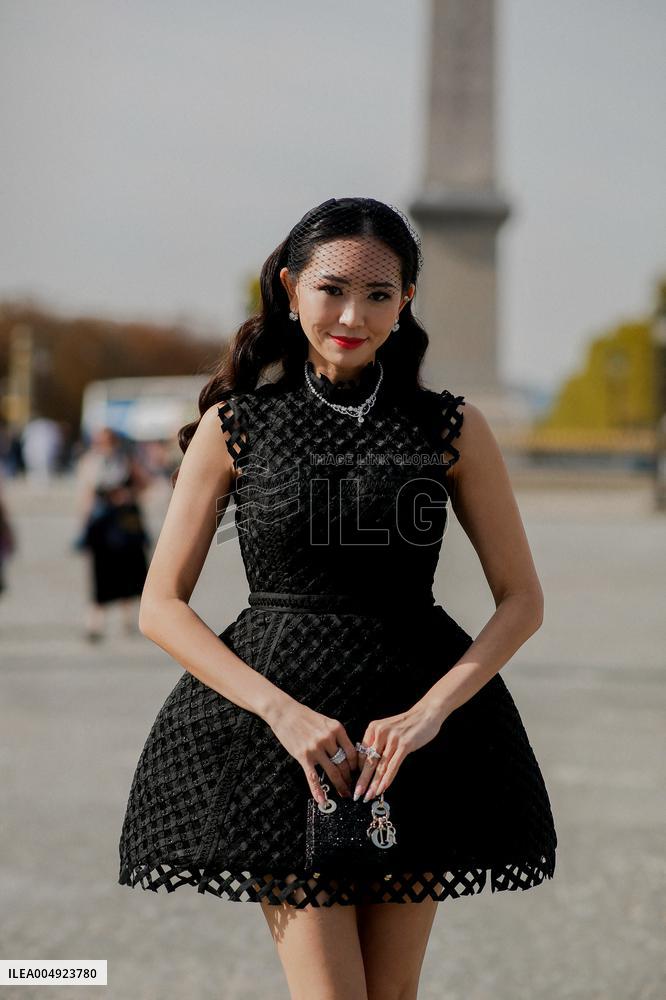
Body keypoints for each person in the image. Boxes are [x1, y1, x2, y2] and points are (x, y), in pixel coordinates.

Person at [117, 197, 557, 999]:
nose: (354, 314)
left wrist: (434, 712)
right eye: (331, 289)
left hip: (412, 748)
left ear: (407, 300)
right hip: (283, 743)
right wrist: (280, 712)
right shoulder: (235, 427)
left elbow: (522, 599)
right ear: (289, 289)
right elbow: (160, 606)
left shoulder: (453, 428)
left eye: (380, 294)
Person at [75, 427, 152, 641]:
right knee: (101, 576)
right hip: (102, 526)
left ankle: (128, 621)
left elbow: (144, 482)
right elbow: (86, 496)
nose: (104, 445)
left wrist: (128, 495)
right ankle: (94, 623)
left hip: (125, 526)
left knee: (128, 572)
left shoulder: (126, 460)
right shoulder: (90, 463)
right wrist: (84, 527)